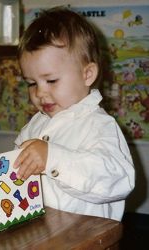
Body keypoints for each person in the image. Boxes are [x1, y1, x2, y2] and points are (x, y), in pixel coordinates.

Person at [13, 6, 135, 221]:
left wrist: (52, 157)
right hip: (41, 231)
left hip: (86, 237)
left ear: (87, 74)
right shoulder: (36, 125)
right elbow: (17, 168)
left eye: (51, 80)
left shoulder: (98, 125)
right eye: (31, 83)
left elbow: (119, 180)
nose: (40, 92)